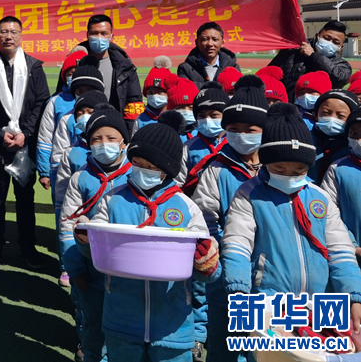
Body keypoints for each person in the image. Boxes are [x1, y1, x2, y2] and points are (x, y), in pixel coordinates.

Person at [83, 121, 221, 362]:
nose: (142, 170)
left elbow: (207, 271)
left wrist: (206, 263)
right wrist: (85, 239)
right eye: (137, 163)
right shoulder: (112, 200)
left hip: (172, 324)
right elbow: (95, 251)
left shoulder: (186, 207)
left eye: (151, 167)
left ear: (167, 169)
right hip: (121, 318)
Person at [222, 103, 361, 335]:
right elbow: (237, 244)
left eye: (298, 171)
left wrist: (354, 295)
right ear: (265, 162)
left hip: (321, 303)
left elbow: (340, 250)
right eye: (279, 169)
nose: (289, 176)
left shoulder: (319, 198)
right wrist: (238, 290)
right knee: (272, 351)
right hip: (269, 303)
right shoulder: (249, 195)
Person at [190, 79, 268, 362]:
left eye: (250, 130)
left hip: (269, 276)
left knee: (264, 348)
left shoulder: (279, 169)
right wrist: (227, 249)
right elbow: (205, 219)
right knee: (224, 346)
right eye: (233, 129)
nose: (241, 135)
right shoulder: (216, 169)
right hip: (226, 275)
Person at [0, 16, 50, 269]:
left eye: (13, 32)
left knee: (25, 199)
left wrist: (26, 133)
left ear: (21, 36)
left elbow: (41, 102)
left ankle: (27, 248)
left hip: (25, 145)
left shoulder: (34, 67)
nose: (8, 36)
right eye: (3, 32)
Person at [58, 104, 131, 362]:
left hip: (128, 274)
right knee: (92, 329)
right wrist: (76, 269)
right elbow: (68, 228)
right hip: (90, 273)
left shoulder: (135, 176)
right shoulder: (80, 178)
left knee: (125, 335)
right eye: (97, 139)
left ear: (124, 142)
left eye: (111, 138)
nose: (104, 144)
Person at [79, 14, 143, 129]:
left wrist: (128, 132)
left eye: (104, 33)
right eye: (94, 33)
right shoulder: (75, 63)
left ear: (111, 36)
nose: (99, 37)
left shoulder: (125, 66)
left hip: (114, 128)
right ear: (87, 35)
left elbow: (134, 102)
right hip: (81, 126)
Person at [268, 20, 353, 100]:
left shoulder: (342, 65)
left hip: (318, 108)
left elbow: (339, 78)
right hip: (287, 102)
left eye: (335, 42)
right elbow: (270, 73)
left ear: (340, 47)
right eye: (326, 38)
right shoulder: (294, 50)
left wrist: (313, 55)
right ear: (316, 36)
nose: (329, 43)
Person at [37, 51, 87, 184]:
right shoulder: (55, 102)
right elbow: (45, 137)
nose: (74, 77)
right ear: (64, 76)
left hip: (91, 168)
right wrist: (44, 171)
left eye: (78, 73)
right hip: (60, 168)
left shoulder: (99, 99)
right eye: (71, 73)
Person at [180, 81, 232, 195]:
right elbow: (179, 181)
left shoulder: (235, 143)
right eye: (201, 116)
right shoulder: (188, 147)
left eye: (214, 115)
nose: (207, 119)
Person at [321, 109, 361, 250]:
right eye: (354, 133)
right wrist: (352, 245)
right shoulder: (337, 169)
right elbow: (330, 212)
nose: (359, 141)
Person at [309, 89, 359, 183]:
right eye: (325, 113)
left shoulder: (353, 146)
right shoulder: (305, 139)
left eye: (341, 116)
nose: (332, 119)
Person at [138, 57, 177, 129]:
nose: (155, 95)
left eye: (160, 92)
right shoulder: (140, 119)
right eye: (150, 92)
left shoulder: (176, 119)